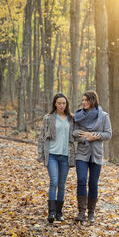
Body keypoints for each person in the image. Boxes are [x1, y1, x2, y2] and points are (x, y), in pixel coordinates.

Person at [73, 90, 112, 223]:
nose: (83, 102)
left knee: (93, 184)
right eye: (83, 100)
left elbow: (108, 134)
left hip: (96, 155)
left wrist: (95, 136)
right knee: (82, 180)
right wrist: (84, 138)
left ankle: (91, 213)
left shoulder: (104, 116)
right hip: (82, 154)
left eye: (86, 100)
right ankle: (81, 212)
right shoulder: (78, 116)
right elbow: (73, 133)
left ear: (93, 101)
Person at [37, 93, 75, 223]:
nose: (61, 105)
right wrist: (40, 155)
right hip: (52, 154)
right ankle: (51, 213)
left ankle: (59, 213)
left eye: (64, 103)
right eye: (59, 103)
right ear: (55, 104)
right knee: (54, 181)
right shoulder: (48, 118)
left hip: (65, 156)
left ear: (66, 104)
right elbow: (42, 137)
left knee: (62, 184)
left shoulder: (71, 119)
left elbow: (75, 135)